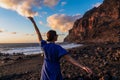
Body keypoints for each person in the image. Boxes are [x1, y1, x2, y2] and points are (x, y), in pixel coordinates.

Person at [28, 17, 93, 80]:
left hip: (46, 69)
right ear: (54, 37)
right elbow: (70, 59)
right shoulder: (58, 48)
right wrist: (82, 67)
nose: (57, 36)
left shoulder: (44, 46)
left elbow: (38, 34)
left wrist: (33, 22)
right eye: (56, 35)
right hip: (55, 69)